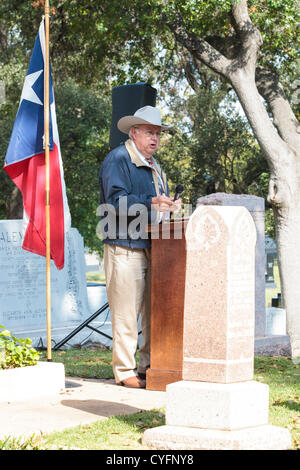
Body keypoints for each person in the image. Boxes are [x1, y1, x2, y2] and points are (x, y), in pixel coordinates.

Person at [99, 105, 181, 388]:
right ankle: (125, 371)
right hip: (124, 249)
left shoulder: (157, 167)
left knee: (152, 313)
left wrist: (169, 206)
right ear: (134, 132)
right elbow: (114, 203)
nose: (155, 138)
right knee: (126, 315)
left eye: (158, 133)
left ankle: (148, 367)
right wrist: (151, 203)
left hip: (153, 249)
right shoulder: (118, 159)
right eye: (149, 132)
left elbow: (157, 204)